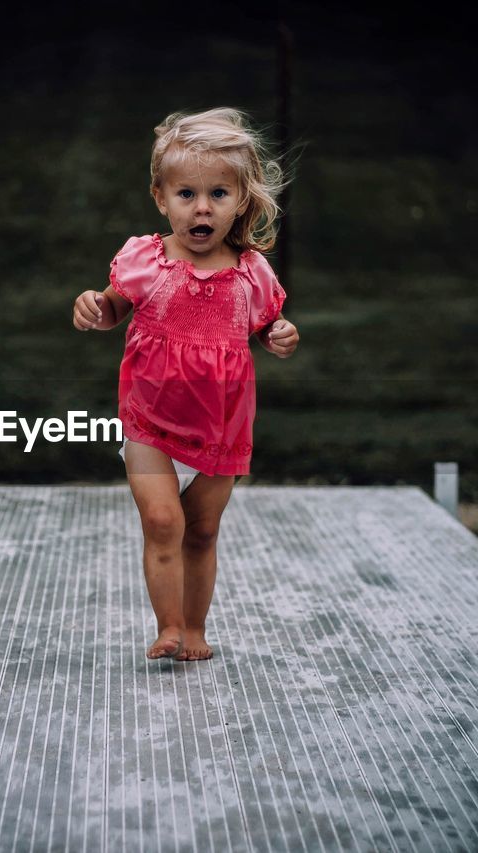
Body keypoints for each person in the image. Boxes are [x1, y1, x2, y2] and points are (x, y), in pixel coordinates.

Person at [72, 107, 300, 661]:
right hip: (148, 414)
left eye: (219, 193)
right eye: (187, 194)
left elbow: (269, 326)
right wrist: (96, 309)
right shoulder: (146, 261)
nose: (202, 207)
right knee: (161, 518)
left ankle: (195, 629)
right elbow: (113, 309)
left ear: (241, 200)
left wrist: (281, 335)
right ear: (161, 197)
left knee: (200, 527)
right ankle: (169, 626)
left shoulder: (252, 274)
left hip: (222, 423)